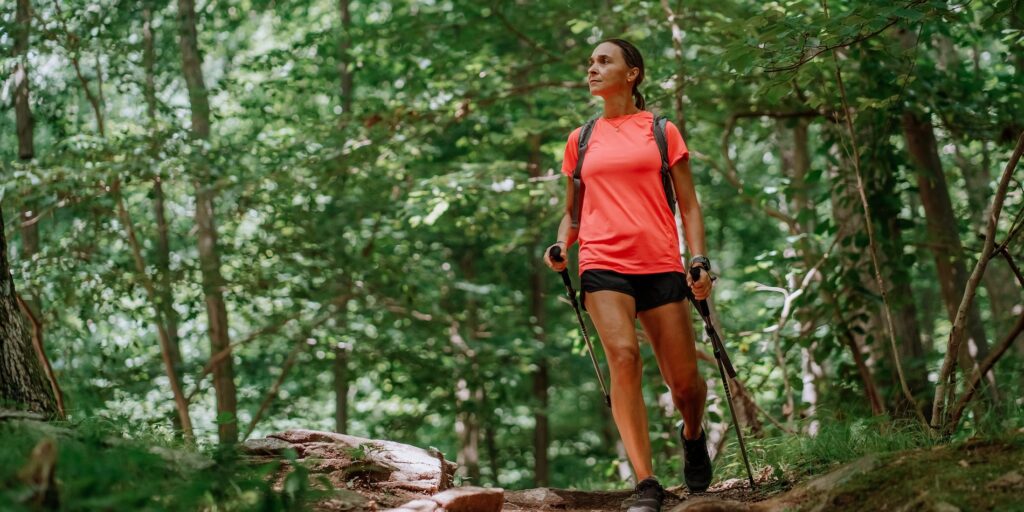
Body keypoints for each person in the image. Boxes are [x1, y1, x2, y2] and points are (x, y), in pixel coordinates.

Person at [543, 38, 714, 512]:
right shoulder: (581, 139)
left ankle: (692, 434)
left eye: (603, 60)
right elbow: (571, 215)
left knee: (684, 385)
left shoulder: (661, 131)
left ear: (632, 73)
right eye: (590, 62)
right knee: (623, 357)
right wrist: (562, 244)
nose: (592, 68)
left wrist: (698, 260)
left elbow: (691, 205)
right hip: (601, 264)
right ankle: (646, 482)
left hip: (660, 264)